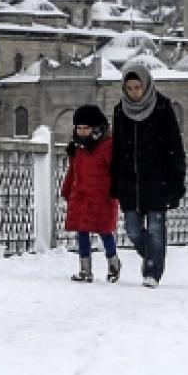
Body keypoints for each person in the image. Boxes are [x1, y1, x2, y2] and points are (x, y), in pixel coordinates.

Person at [110, 65, 185, 288]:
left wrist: (176, 179)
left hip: (157, 180)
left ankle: (153, 270)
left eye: (138, 87)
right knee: (132, 229)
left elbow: (174, 145)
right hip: (130, 182)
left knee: (155, 229)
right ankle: (153, 256)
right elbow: (118, 147)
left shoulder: (162, 107)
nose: (134, 92)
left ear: (146, 86)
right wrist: (115, 181)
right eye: (130, 88)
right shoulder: (120, 110)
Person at [60, 104, 120, 283]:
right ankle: (85, 269)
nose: (82, 132)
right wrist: (67, 189)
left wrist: (117, 189)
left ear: (97, 128)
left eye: (86, 128)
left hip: (102, 196)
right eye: (79, 128)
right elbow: (73, 171)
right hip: (81, 196)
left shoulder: (108, 146)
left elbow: (116, 170)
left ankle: (113, 263)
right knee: (82, 231)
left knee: (105, 231)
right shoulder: (78, 148)